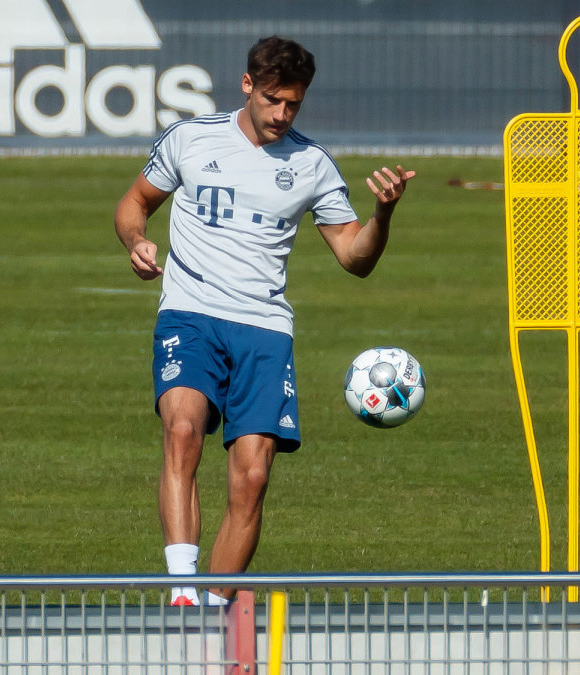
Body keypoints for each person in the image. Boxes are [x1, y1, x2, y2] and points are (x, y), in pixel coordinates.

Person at [114, 36, 415, 606]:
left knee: (250, 479)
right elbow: (134, 202)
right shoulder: (190, 138)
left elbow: (355, 258)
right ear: (248, 86)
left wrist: (383, 214)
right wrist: (135, 240)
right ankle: (182, 590)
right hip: (191, 312)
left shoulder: (311, 164)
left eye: (294, 104)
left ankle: (215, 609)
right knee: (181, 430)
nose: (282, 114)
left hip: (264, 329)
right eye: (273, 99)